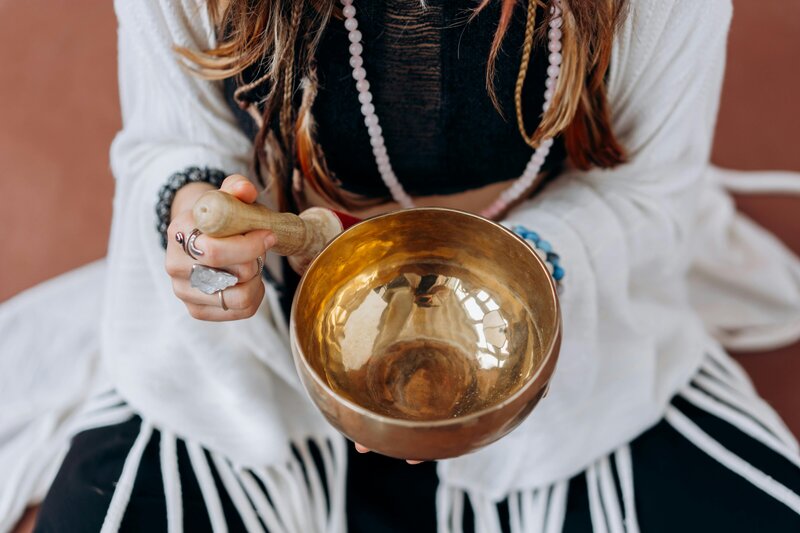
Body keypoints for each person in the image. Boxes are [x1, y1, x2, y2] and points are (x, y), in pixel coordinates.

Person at [2, 0, 800, 531]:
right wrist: (188, 216)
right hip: (262, 346)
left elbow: (653, 191)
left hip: (570, 306)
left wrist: (522, 271)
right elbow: (168, 140)